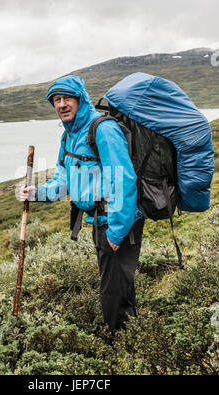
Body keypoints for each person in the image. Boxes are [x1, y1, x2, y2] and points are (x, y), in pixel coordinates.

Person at [19, 75, 144, 331]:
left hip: (118, 221)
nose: (62, 104)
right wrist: (36, 192)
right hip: (99, 221)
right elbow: (62, 180)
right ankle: (131, 335)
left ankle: (119, 344)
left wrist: (117, 232)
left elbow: (123, 180)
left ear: (81, 99)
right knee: (117, 285)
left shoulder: (103, 129)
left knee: (113, 291)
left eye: (67, 98)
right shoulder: (69, 136)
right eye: (56, 100)